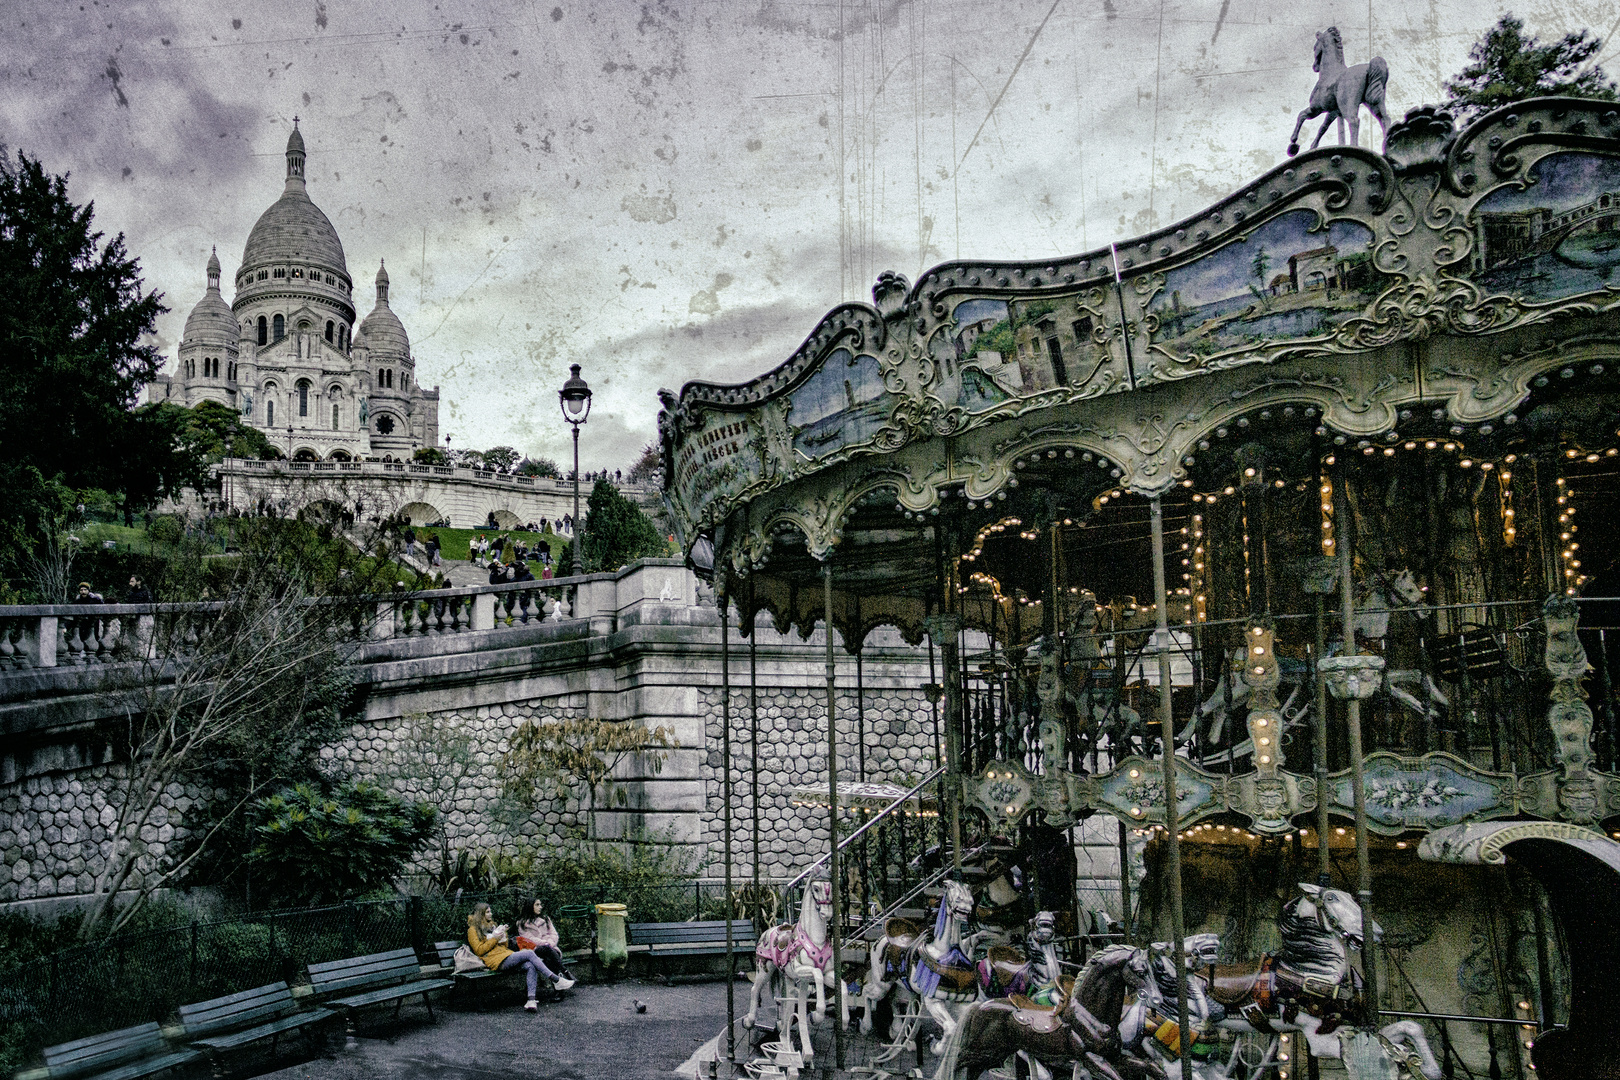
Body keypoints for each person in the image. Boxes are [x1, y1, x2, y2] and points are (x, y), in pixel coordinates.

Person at [466, 902, 571, 1011]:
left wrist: (503, 935)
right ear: (480, 914)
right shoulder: (472, 930)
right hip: (495, 961)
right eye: (487, 912)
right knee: (529, 953)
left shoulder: (492, 926)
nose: (490, 914)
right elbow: (479, 950)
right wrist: (495, 939)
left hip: (505, 955)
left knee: (530, 965)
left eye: (490, 911)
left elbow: (504, 946)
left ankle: (531, 1000)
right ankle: (556, 979)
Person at [515, 898, 573, 987]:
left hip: (550, 948)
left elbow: (554, 934)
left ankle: (558, 989)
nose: (540, 907)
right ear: (530, 906)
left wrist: (550, 944)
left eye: (540, 905)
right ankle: (565, 972)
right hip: (534, 950)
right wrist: (545, 943)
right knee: (547, 950)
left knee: (549, 958)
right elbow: (529, 938)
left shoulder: (545, 919)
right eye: (537, 905)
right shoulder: (522, 923)